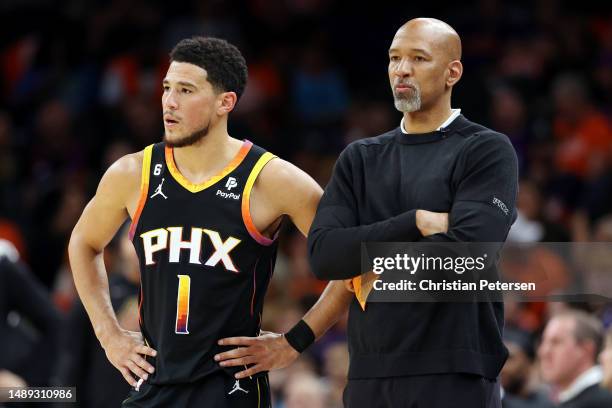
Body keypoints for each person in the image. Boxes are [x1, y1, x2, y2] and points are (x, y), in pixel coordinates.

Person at [217, 17, 519, 408]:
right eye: (394, 58)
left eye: (419, 58)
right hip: (368, 372)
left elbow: (470, 253)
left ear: (452, 72)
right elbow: (325, 256)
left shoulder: (486, 150)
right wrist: (416, 222)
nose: (402, 70)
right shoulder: (360, 158)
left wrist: (366, 255)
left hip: (455, 368)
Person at [68, 36, 352, 407]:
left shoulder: (273, 179)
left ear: (226, 102)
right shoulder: (133, 172)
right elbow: (83, 244)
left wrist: (294, 341)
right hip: (153, 386)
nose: (169, 101)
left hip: (230, 391)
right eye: (167, 88)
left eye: (186, 90)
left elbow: (353, 265)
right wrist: (109, 333)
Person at [538, 310, 612, 407]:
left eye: (556, 342)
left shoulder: (604, 399)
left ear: (586, 350)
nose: (543, 352)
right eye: (543, 342)